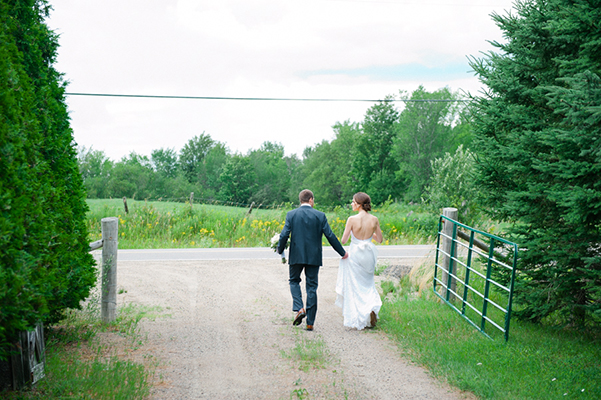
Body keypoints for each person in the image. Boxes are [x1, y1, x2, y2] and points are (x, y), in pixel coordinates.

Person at [278, 189, 348, 331]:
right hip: (313, 256)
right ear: (310, 200)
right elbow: (330, 235)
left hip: (296, 255)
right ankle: (310, 322)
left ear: (300, 200)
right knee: (311, 287)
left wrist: (280, 249)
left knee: (294, 281)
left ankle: (299, 308)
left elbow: (284, 233)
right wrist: (342, 252)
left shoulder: (291, 214)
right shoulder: (320, 216)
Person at [336, 192, 383, 330]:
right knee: (368, 284)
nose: (351, 204)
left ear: (358, 204)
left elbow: (344, 240)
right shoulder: (374, 219)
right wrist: (369, 234)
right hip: (368, 253)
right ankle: (371, 308)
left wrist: (352, 232)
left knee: (356, 286)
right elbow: (379, 239)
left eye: (353, 201)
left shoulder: (351, 219)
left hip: (355, 254)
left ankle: (360, 314)